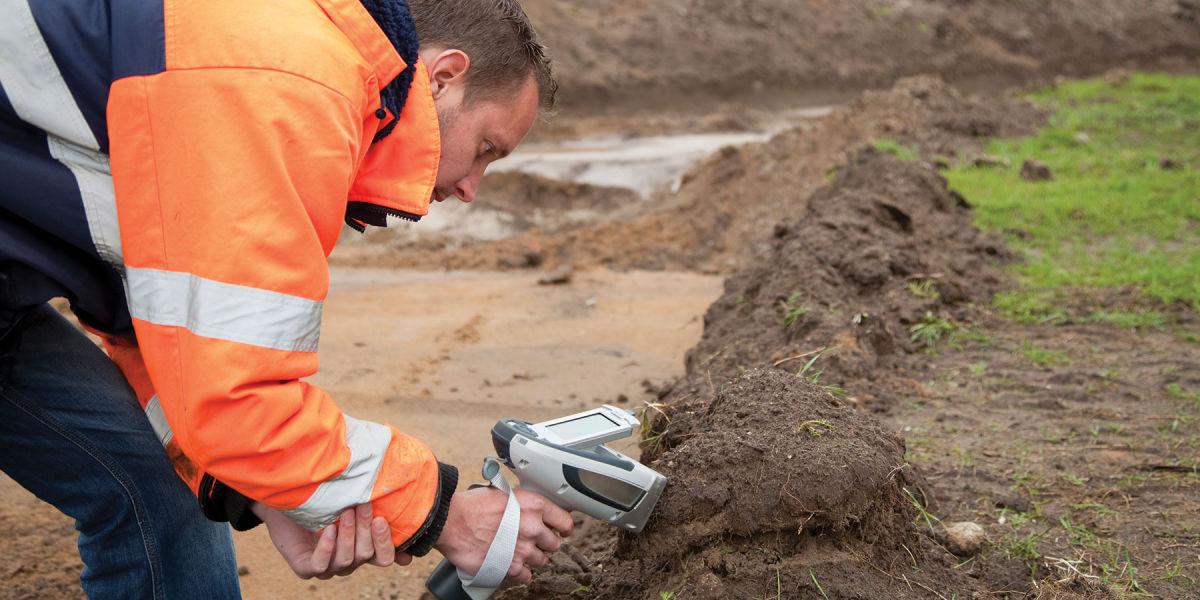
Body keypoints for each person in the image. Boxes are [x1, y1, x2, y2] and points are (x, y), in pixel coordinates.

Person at [0, 0, 572, 597]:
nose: (470, 188)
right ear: (444, 76)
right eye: (486, 148)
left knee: (160, 493)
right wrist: (442, 509)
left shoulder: (272, 51)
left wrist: (262, 490)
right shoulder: (288, 78)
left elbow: (161, 332)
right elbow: (236, 393)